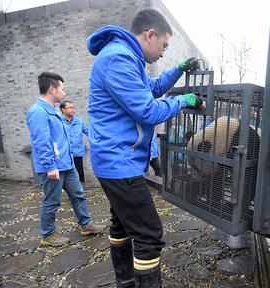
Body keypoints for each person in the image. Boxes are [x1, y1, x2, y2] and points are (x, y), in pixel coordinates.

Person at [86, 8, 202, 287]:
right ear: (150, 35)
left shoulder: (127, 59)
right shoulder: (118, 59)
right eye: (164, 45)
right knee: (149, 233)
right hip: (119, 162)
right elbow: (148, 111)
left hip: (117, 160)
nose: (164, 51)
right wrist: (184, 101)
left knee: (121, 223)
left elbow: (151, 88)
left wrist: (178, 70)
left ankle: (124, 282)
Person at [26, 72, 105, 247]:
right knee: (52, 201)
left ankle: (86, 225)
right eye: (62, 88)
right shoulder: (38, 112)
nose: (64, 92)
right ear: (52, 88)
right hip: (53, 167)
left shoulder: (54, 111)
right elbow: (41, 142)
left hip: (67, 164)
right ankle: (48, 234)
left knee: (79, 195)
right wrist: (49, 166)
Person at [60, 100, 88, 183]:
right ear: (63, 110)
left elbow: (89, 132)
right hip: (64, 154)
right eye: (70, 108)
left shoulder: (79, 122)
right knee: (67, 176)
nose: (73, 110)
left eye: (73, 108)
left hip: (77, 153)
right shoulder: (58, 121)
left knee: (78, 175)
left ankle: (79, 192)